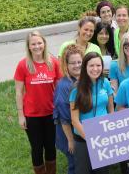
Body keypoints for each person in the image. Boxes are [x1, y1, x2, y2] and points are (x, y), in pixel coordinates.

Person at [14, 31, 61, 174]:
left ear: (44, 43)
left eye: (39, 43)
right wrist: (21, 115)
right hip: (32, 114)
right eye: (33, 44)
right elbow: (18, 92)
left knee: (51, 147)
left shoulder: (53, 62)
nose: (37, 46)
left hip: (50, 112)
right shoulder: (23, 65)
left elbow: (59, 89)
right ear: (28, 46)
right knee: (37, 147)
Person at [69, 52, 114, 174]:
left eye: (98, 65)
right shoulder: (76, 89)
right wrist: (91, 139)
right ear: (85, 67)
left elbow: (110, 108)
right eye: (91, 65)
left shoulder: (105, 83)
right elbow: (74, 120)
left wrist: (111, 128)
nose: (95, 69)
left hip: (103, 135)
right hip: (84, 138)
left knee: (103, 171)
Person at [53, 45, 83, 174]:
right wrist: (71, 141)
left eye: (79, 62)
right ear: (66, 65)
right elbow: (64, 119)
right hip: (68, 133)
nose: (77, 65)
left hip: (80, 129)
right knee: (75, 164)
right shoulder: (64, 86)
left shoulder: (83, 79)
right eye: (73, 63)